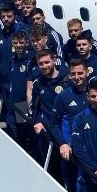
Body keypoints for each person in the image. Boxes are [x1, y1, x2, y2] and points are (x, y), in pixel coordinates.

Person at [28, 49, 68, 181]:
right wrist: (37, 121)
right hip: (48, 134)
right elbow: (34, 107)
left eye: (47, 62)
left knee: (68, 171)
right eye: (41, 64)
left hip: (66, 133)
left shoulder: (67, 80)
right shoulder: (38, 84)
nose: (44, 66)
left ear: (54, 60)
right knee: (51, 171)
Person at [53, 58, 91, 192]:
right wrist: (62, 143)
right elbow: (53, 123)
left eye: (80, 73)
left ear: (87, 72)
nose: (76, 77)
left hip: (92, 152)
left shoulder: (95, 95)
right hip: (71, 153)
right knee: (72, 191)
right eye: (73, 74)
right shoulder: (63, 97)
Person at [0, 31, 33, 149]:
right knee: (11, 129)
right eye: (16, 43)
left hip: (22, 104)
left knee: (24, 134)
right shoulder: (13, 59)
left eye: (21, 42)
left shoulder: (31, 60)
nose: (18, 45)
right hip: (11, 103)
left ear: (27, 43)